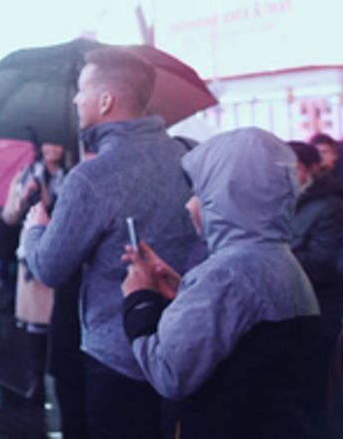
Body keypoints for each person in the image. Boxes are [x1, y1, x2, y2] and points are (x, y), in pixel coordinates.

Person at [23, 47, 202, 439]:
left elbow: (49, 268)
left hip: (117, 356)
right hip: (184, 344)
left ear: (105, 101)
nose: (75, 99)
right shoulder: (188, 157)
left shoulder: (91, 179)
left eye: (82, 89)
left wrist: (35, 228)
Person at [121, 128, 320, 438]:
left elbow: (170, 372)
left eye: (201, 190)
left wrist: (139, 299)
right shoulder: (281, 258)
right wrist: (186, 290)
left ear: (225, 196)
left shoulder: (225, 275)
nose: (190, 205)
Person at [2, 143, 66, 403]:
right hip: (33, 254)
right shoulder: (26, 175)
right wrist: (24, 198)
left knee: (62, 323)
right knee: (36, 324)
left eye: (56, 141)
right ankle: (36, 377)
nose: (53, 147)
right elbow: (8, 216)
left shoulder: (74, 174)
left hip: (65, 252)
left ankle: (62, 379)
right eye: (48, 142)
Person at [288, 139, 343, 437]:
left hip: (322, 310)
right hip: (297, 308)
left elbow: (325, 262)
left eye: (294, 169)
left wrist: (280, 260)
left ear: (311, 168)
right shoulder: (283, 203)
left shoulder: (329, 206)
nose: (287, 176)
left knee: (316, 392)